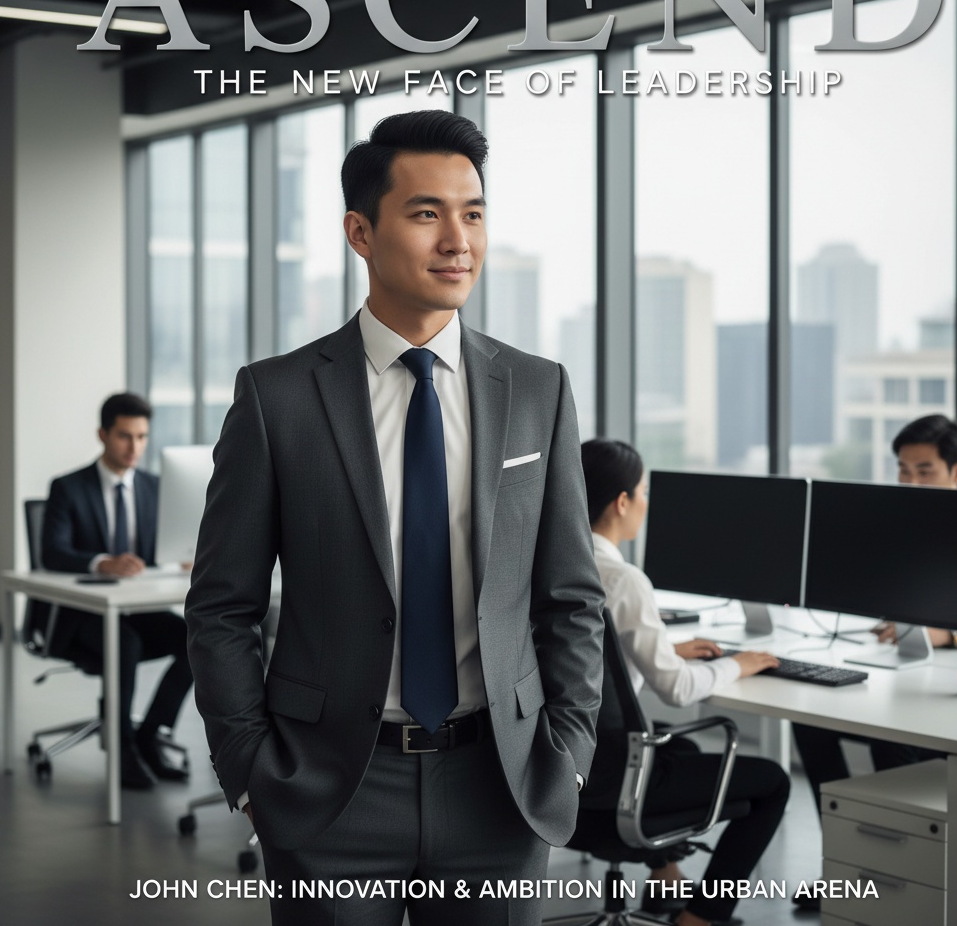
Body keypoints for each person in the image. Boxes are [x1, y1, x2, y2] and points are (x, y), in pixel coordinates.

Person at [184, 110, 605, 926]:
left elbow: (571, 596)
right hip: (331, 791)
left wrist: (571, 756)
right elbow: (221, 605)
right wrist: (248, 770)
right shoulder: (278, 399)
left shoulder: (537, 389)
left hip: (500, 787)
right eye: (426, 213)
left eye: (473, 213)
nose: (459, 240)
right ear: (360, 232)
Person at [791, 413, 957, 909]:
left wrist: (946, 634)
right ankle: (847, 864)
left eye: (924, 470)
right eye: (902, 470)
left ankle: (896, 877)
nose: (910, 481)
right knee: (810, 725)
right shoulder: (896, 528)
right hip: (898, 673)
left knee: (889, 739)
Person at [580, 438, 790, 926]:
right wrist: (741, 664)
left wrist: (664, 650)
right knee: (773, 784)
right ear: (622, 502)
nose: (646, 504)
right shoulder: (622, 578)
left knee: (685, 754)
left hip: (563, 770)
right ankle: (701, 917)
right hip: (613, 777)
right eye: (644, 491)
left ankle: (666, 879)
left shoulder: (548, 561)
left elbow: (587, 656)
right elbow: (675, 689)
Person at [41, 392, 193, 790]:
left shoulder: (155, 487)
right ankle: (123, 748)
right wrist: (102, 562)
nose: (135, 447)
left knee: (198, 639)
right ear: (103, 435)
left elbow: (161, 550)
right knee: (123, 645)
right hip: (81, 618)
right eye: (125, 436)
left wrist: (183, 556)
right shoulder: (68, 488)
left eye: (142, 437)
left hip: (136, 610)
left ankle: (150, 734)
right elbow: (52, 552)